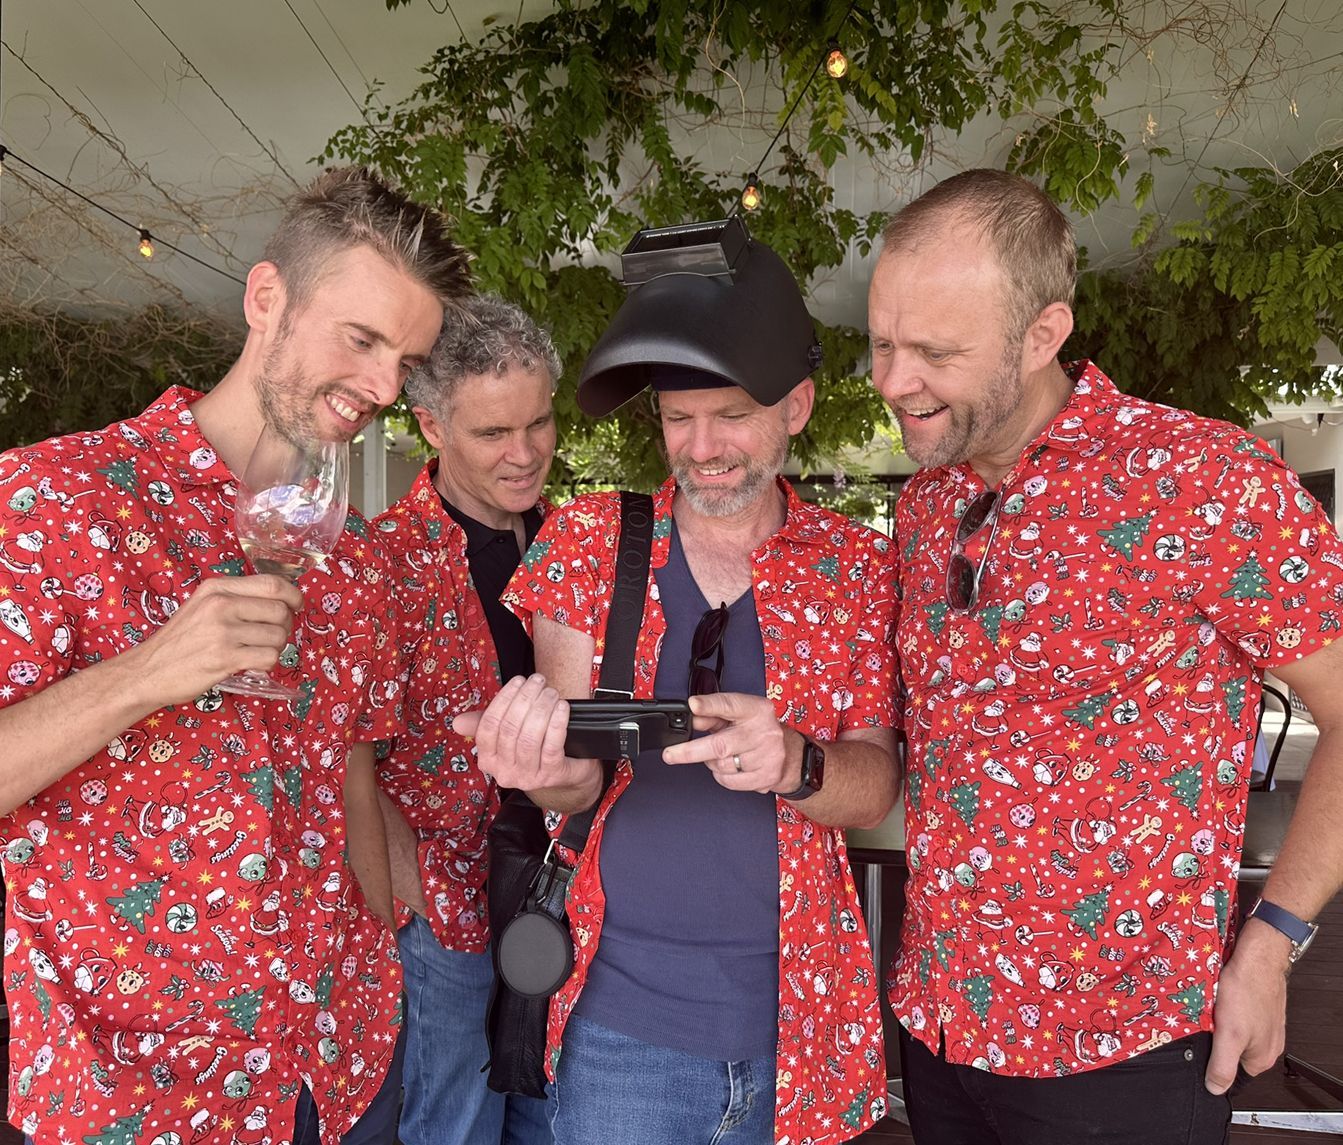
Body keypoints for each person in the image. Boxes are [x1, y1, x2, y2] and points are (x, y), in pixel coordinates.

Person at [867, 167, 1343, 1145]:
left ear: (1042, 333)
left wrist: (1272, 938)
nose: (891, 381)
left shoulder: (1205, 481)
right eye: (880, 342)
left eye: (935, 352)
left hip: (1124, 1048)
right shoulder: (922, 506)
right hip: (938, 1020)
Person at [0, 166, 471, 1145]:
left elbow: (349, 768)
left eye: (407, 360)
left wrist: (384, 940)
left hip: (338, 1073)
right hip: (137, 1097)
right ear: (266, 299)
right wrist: (146, 674)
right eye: (362, 339)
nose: (384, 387)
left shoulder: (351, 560)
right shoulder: (56, 500)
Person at [457, 221, 901, 1145]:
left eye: (730, 413)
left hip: (802, 1021)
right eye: (675, 417)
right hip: (623, 1032)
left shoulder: (856, 568)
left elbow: (874, 785)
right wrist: (538, 767)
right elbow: (574, 786)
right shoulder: (588, 543)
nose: (701, 446)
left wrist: (795, 762)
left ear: (797, 405)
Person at [369, 294, 559, 1144]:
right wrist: (413, 895)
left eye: (538, 422)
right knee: (455, 1128)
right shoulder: (381, 562)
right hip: (445, 912)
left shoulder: (578, 544)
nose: (524, 453)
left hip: (567, 896)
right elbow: (345, 754)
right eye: (493, 433)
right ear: (431, 425)